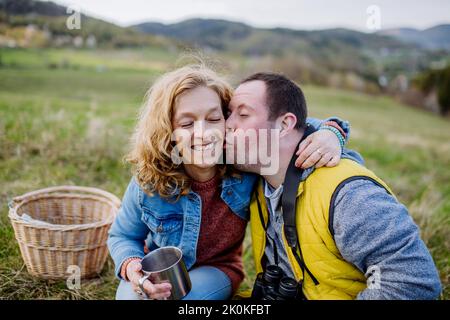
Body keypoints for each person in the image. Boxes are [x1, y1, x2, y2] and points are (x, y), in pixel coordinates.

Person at [107, 64, 360, 300]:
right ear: (167, 131)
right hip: (158, 268)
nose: (203, 132)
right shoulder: (151, 178)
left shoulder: (243, 167)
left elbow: (289, 128)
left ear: (229, 120)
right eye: (186, 123)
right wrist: (132, 266)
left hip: (217, 269)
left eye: (214, 118)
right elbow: (122, 235)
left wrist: (331, 132)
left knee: (181, 299)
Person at [225, 72, 442, 299]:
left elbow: (414, 283)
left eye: (243, 114)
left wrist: (332, 132)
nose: (227, 125)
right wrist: (332, 129)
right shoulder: (253, 180)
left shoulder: (349, 196)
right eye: (229, 114)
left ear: (285, 124)